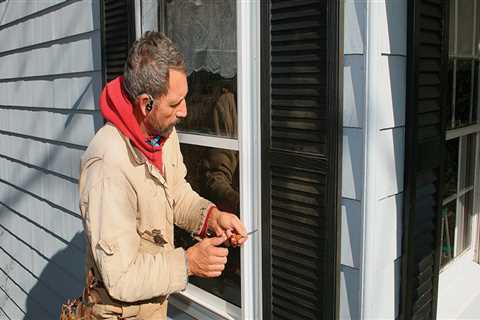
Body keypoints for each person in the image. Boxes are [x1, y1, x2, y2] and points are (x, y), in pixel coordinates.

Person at [78, 31, 247, 320]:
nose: (184, 111)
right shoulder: (107, 165)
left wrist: (212, 217)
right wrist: (188, 264)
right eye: (174, 103)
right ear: (145, 104)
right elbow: (121, 277)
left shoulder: (162, 135)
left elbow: (176, 194)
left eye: (185, 98)